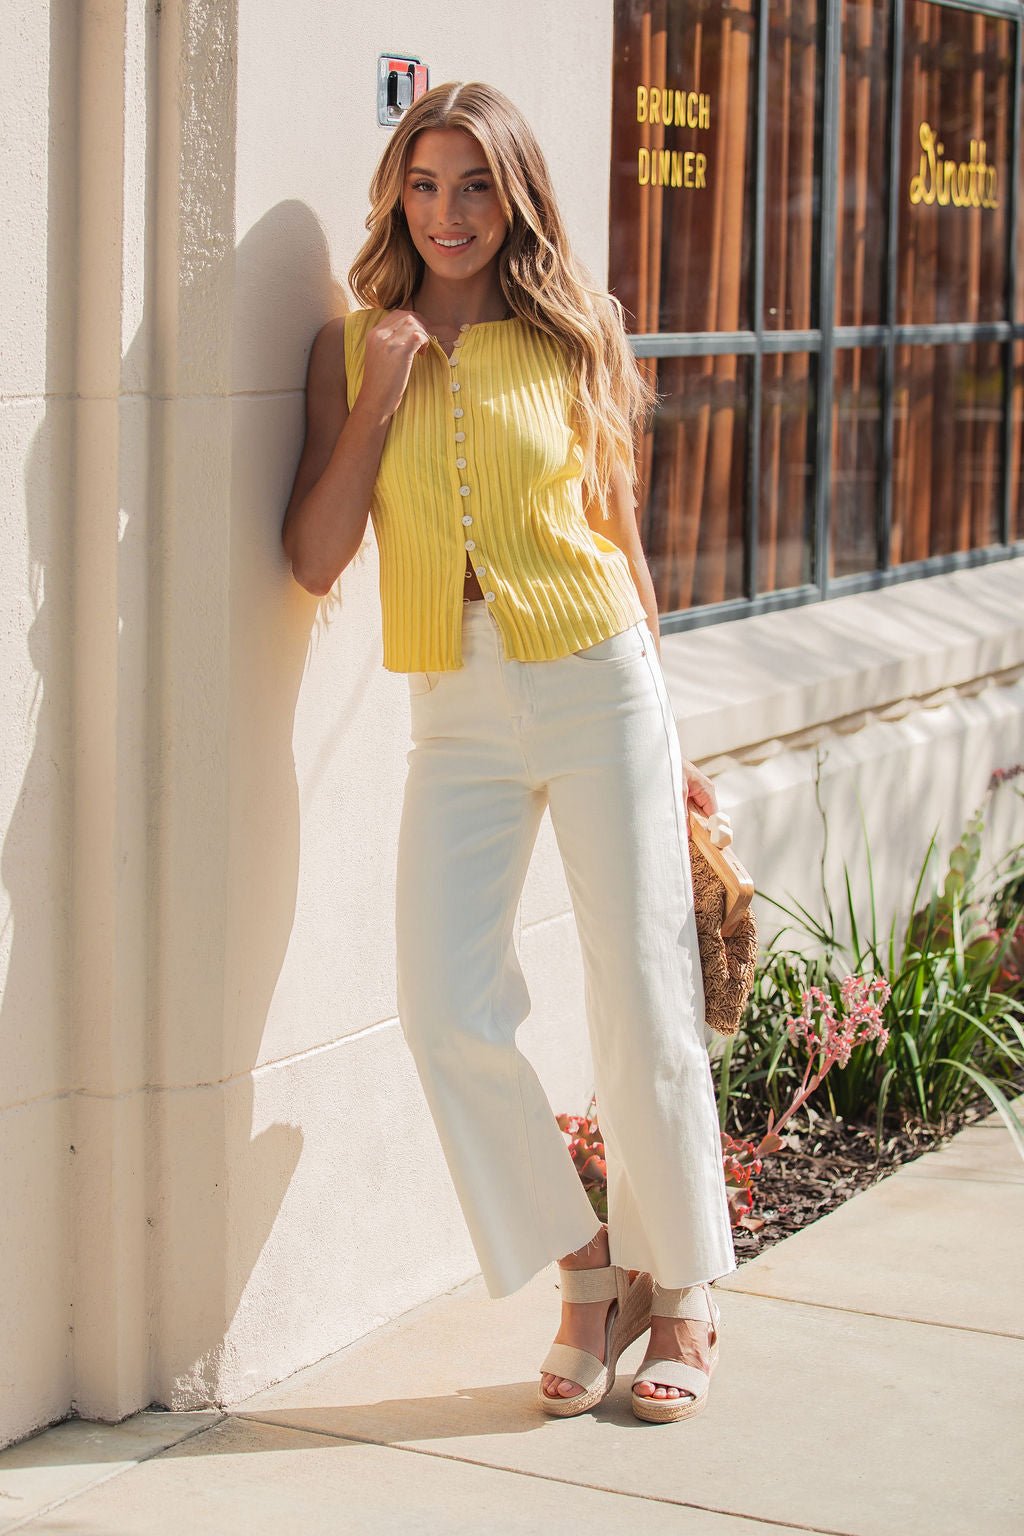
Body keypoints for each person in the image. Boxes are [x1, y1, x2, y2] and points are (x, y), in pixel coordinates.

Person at [281, 80, 737, 1424]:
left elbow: (621, 536)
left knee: (644, 999)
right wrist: (377, 396)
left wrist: (674, 731)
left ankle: (686, 1291)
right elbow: (311, 561)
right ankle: (590, 1271)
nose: (450, 213)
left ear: (516, 195)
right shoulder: (358, 340)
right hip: (457, 710)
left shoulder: (572, 330)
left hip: (599, 679)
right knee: (441, 1003)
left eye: (475, 185)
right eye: (425, 185)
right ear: (396, 196)